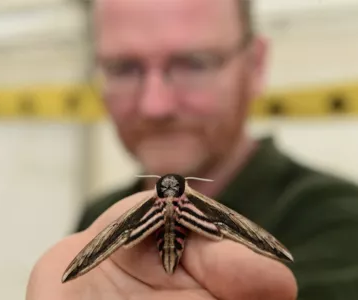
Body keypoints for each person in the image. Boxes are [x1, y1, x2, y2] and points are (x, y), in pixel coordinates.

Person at [26, 0, 358, 299]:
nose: (155, 106)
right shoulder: (96, 212)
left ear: (255, 65)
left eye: (193, 64)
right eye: (123, 68)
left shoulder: (340, 219)